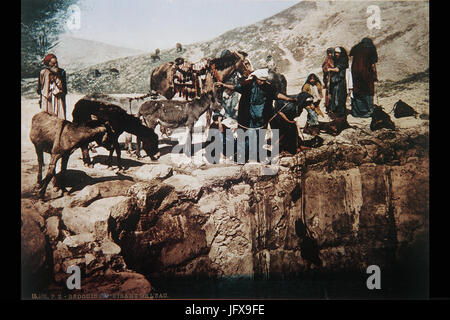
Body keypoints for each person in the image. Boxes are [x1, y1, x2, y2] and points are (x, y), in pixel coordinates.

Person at [216, 68, 296, 162]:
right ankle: (244, 157)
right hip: (247, 118)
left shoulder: (268, 87)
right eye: (260, 80)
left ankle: (255, 156)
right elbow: (235, 87)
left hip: (261, 119)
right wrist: (223, 85)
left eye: (263, 81)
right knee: (247, 138)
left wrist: (288, 99)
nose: (262, 82)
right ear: (256, 78)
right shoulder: (248, 85)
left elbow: (276, 95)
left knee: (259, 138)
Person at [349, 37, 378, 117]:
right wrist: (374, 74)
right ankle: (369, 110)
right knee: (368, 90)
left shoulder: (356, 47)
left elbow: (350, 53)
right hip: (366, 73)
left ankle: (359, 111)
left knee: (358, 90)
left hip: (356, 72)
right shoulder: (371, 48)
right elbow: (373, 63)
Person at [37, 53, 67, 119]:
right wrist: (41, 99)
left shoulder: (61, 72)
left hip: (58, 97)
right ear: (48, 63)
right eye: (53, 63)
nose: (55, 65)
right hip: (47, 98)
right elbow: (40, 87)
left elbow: (64, 88)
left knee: (60, 116)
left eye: (56, 63)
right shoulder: (43, 72)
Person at [327, 47, 349, 118]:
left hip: (341, 81)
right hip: (335, 81)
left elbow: (337, 69)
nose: (336, 54)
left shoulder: (343, 60)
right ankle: (335, 112)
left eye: (338, 53)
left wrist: (330, 69)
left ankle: (341, 114)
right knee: (334, 97)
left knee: (340, 97)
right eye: (335, 52)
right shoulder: (336, 60)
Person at [321, 48, 334, 112]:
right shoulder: (327, 59)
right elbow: (324, 68)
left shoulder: (335, 60)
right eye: (328, 53)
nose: (330, 54)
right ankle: (328, 107)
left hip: (334, 78)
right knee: (328, 93)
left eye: (331, 53)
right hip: (328, 78)